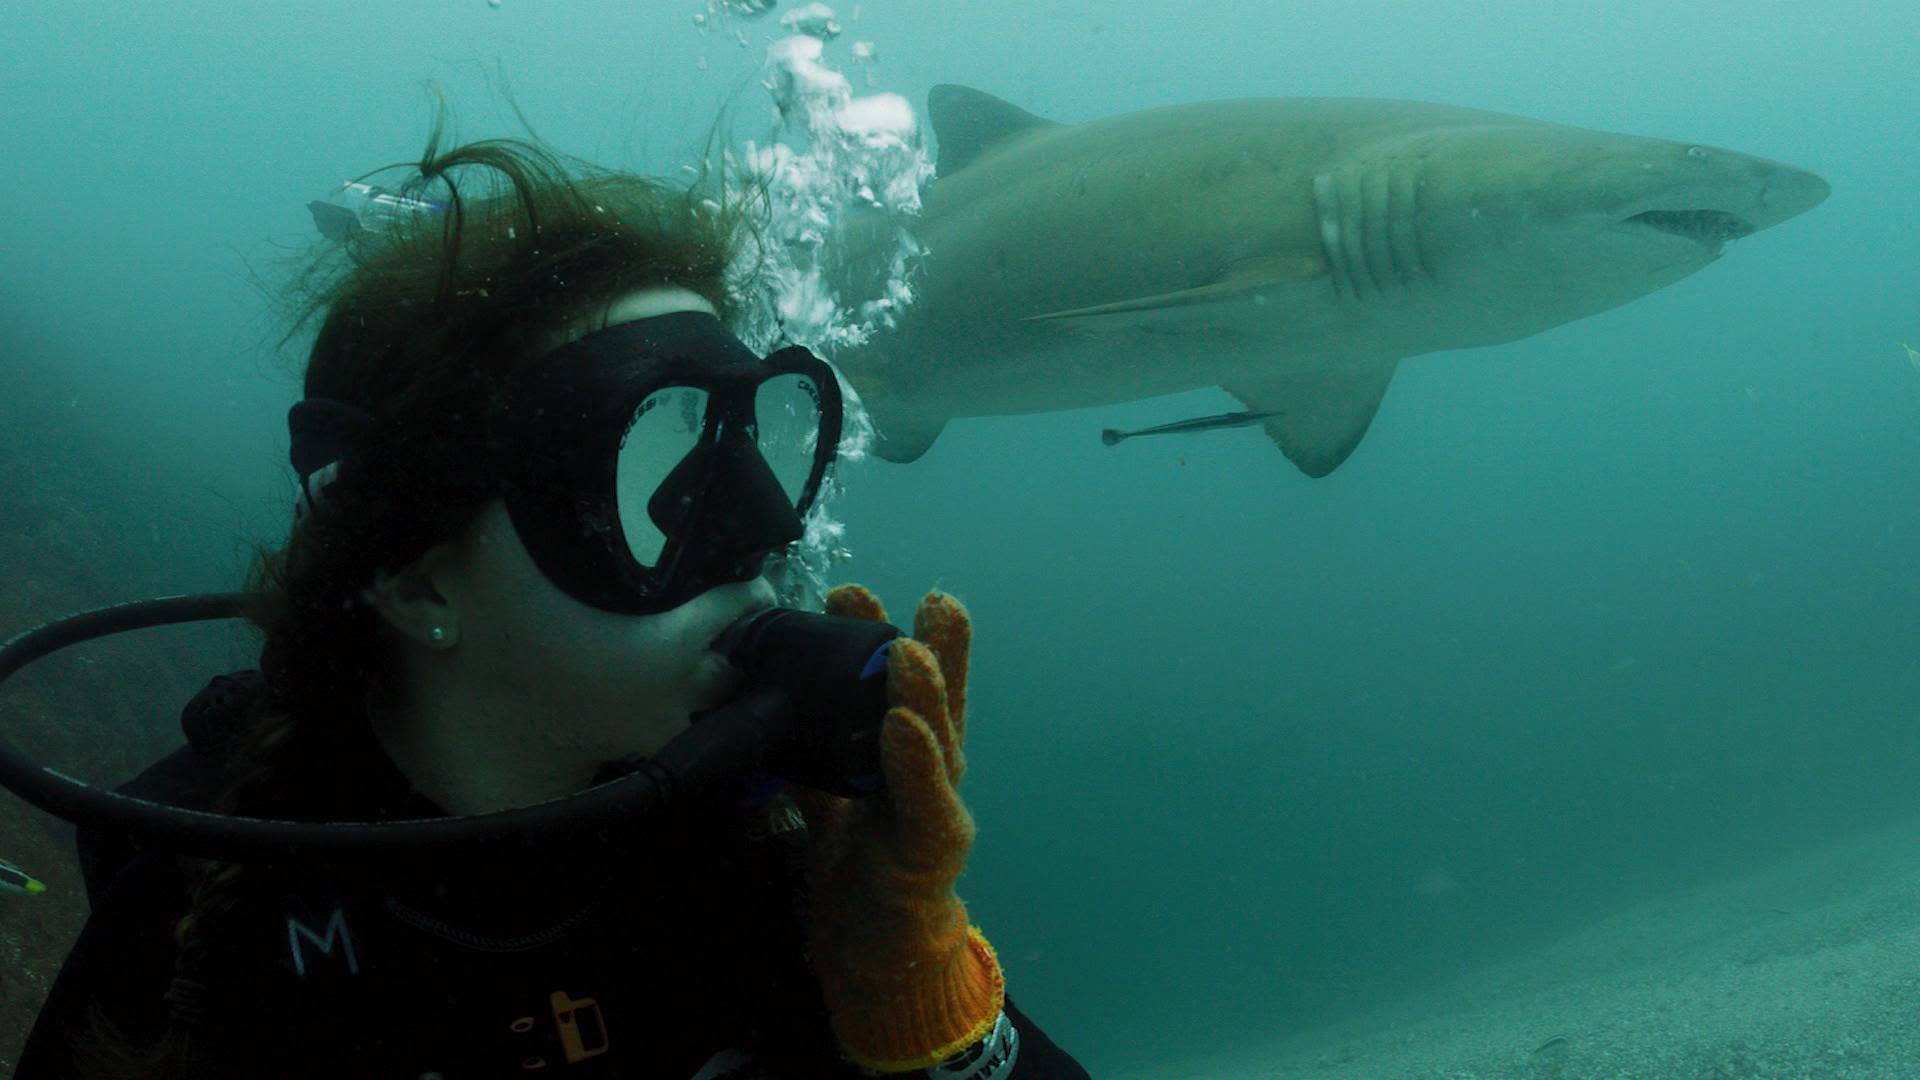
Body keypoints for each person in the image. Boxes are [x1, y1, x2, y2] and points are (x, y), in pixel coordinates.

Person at [17, 128, 1089, 1079]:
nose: (767, 525)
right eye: (657, 472)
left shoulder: (770, 863)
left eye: (759, 438)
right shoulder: (227, 888)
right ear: (420, 577)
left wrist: (922, 1000)